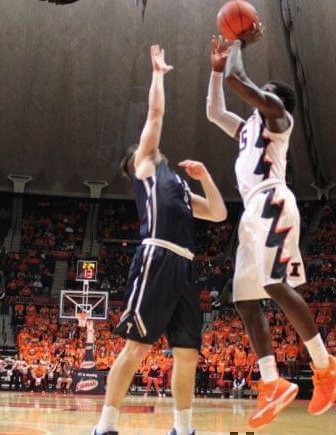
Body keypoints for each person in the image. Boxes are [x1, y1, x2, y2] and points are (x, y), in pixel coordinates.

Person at [206, 27, 336, 429]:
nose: (258, 93)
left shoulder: (277, 117)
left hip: (272, 200)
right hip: (251, 212)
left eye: (264, 91)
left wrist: (238, 42)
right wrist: (216, 72)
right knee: (243, 299)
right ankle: (272, 382)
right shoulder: (248, 127)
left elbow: (241, 81)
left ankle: (326, 365)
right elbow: (215, 112)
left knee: (272, 284)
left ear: (275, 101)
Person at [93, 44, 227, 435]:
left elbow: (218, 213)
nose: (153, 143)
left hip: (184, 265)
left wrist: (205, 178)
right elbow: (155, 113)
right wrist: (157, 74)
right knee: (136, 346)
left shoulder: (181, 187)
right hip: (157, 256)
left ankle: (183, 430)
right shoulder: (146, 166)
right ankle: (105, 427)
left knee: (187, 353)